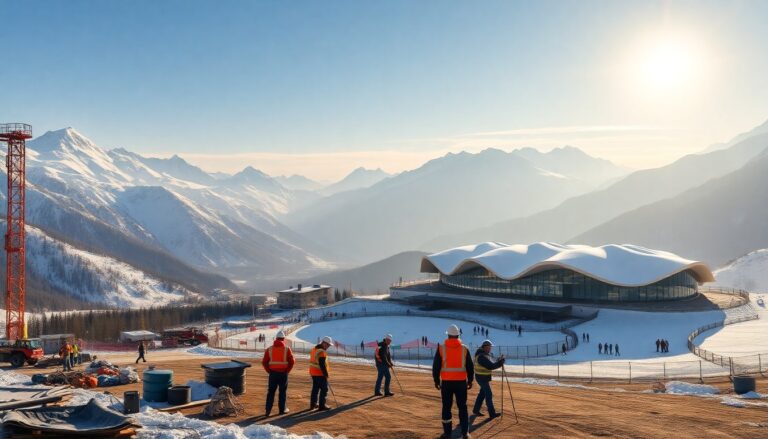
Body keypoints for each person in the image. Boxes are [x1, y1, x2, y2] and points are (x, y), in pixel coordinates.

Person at [433, 324, 474, 439]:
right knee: (462, 407)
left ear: (448, 335)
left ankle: (447, 433)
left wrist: (436, 380)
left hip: (446, 383)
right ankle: (465, 433)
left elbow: (436, 366)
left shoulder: (441, 348)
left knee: (446, 407)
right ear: (458, 335)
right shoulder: (464, 348)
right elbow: (470, 366)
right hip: (461, 383)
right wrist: (470, 380)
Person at [262, 330, 295, 417]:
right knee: (282, 392)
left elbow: (264, 362)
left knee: (271, 392)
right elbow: (292, 362)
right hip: (283, 374)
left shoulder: (269, 349)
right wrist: (287, 371)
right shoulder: (287, 349)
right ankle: (282, 410)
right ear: (283, 339)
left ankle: (268, 411)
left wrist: (269, 371)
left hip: (273, 374)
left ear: (276, 339)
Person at [472, 340, 504, 419]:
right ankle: (492, 413)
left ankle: (476, 410)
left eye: (490, 347)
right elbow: (490, 366)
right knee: (488, 394)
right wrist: (500, 363)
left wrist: (499, 361)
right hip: (481, 378)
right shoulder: (481, 356)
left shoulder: (483, 355)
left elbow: (491, 364)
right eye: (489, 347)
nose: (490, 349)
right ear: (485, 347)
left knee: (482, 394)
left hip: (482, 377)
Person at [309, 336, 333, 410]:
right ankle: (322, 406)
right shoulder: (322, 352)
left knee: (315, 389)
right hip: (320, 374)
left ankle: (313, 404)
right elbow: (322, 364)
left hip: (313, 373)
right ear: (324, 343)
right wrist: (325, 374)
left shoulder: (314, 349)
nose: (328, 347)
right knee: (324, 389)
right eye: (328, 345)